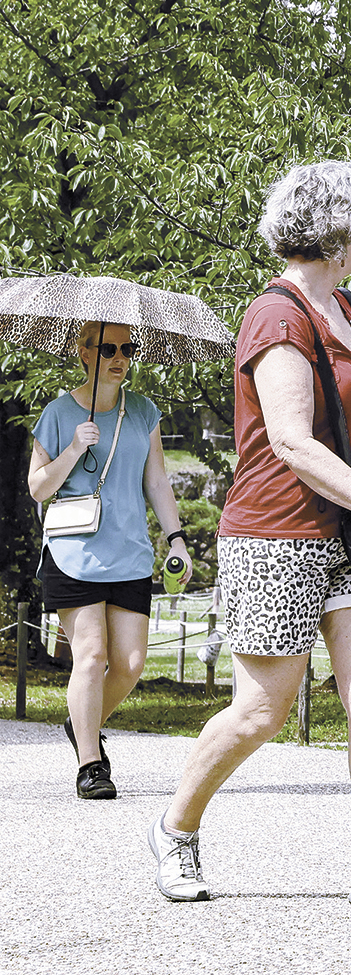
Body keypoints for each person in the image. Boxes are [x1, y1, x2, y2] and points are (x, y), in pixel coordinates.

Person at [150, 161, 351, 906]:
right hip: (277, 530)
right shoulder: (276, 315)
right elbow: (290, 441)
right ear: (337, 228)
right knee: (262, 709)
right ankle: (176, 829)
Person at [29, 322, 193, 800]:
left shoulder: (142, 411)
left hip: (131, 554)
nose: (120, 356)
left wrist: (176, 539)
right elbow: (38, 487)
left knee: (132, 662)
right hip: (73, 554)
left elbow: (158, 481)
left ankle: (82, 723)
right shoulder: (58, 413)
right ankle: (91, 765)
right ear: (83, 352)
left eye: (128, 348)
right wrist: (75, 446)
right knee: (92, 656)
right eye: (109, 348)